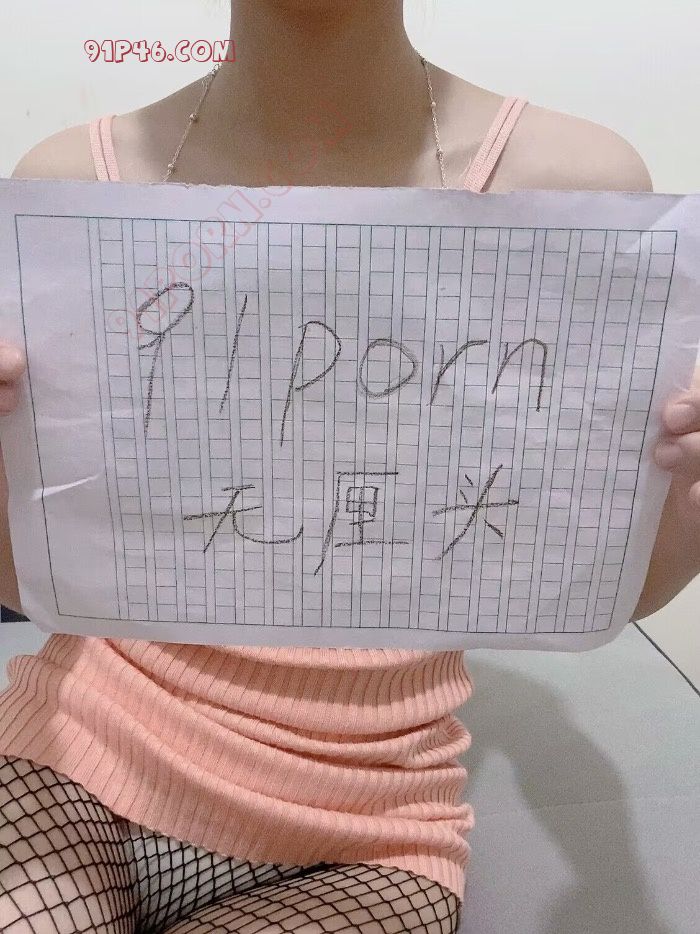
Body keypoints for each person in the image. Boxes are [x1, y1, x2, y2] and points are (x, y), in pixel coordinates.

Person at [1, 1, 699, 931]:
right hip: (81, 750)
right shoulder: (68, 185)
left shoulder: (580, 189)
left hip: (372, 819)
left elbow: (600, 594)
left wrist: (690, 500)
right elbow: (28, 580)